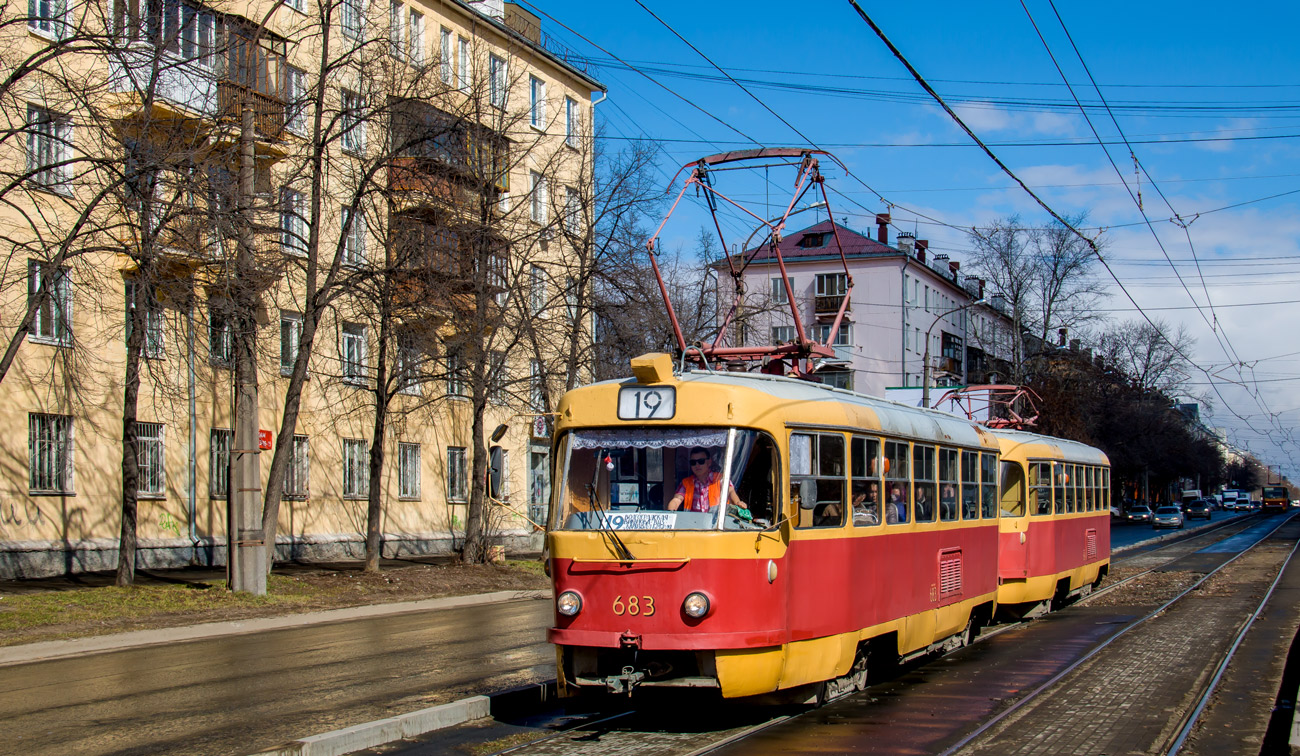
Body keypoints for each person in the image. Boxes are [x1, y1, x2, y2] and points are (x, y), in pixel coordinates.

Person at [668, 447, 748, 516]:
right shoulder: (686, 483)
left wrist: (738, 502)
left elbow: (730, 492)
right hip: (693, 525)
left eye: (701, 461)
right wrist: (670, 514)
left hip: (716, 524)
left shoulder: (720, 478)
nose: (697, 465)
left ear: (709, 462)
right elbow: (677, 499)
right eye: (693, 462)